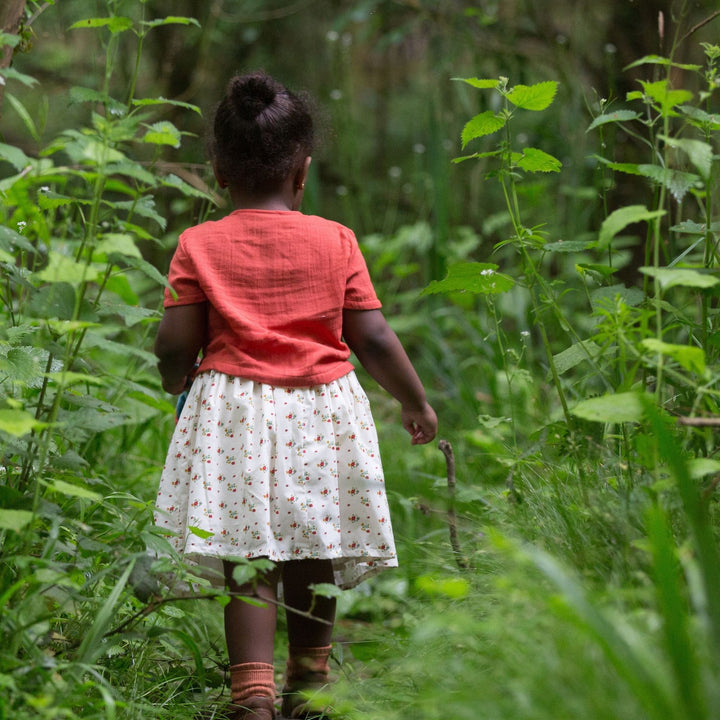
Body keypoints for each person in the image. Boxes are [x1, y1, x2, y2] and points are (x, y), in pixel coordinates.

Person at [154, 71, 437, 720]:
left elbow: (175, 341)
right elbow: (374, 337)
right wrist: (414, 402)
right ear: (302, 172)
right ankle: (309, 684)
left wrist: (175, 380)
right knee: (314, 548)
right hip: (320, 410)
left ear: (219, 172)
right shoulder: (335, 241)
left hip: (233, 414)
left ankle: (251, 697)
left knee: (249, 554)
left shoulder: (199, 244)